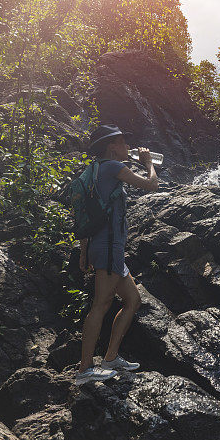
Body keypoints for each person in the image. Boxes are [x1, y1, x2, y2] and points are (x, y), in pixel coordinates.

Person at [75, 124, 159, 386]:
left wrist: (84, 250)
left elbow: (90, 212)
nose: (127, 148)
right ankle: (85, 369)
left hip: (106, 247)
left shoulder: (95, 169)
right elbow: (151, 185)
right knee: (101, 305)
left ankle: (110, 358)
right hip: (109, 246)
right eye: (124, 143)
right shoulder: (112, 167)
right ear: (112, 146)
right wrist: (147, 162)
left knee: (132, 300)